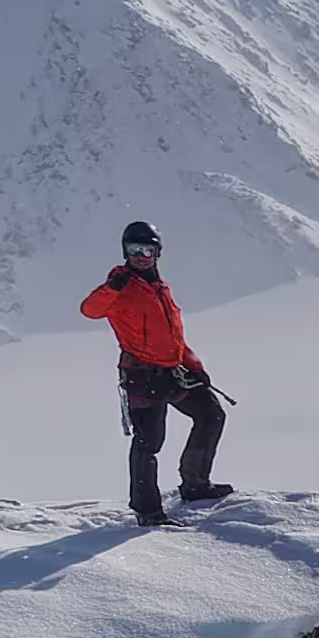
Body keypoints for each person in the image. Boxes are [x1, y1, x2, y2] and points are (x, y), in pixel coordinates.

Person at [79, 219, 232, 524]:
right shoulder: (119, 287)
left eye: (148, 248)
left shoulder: (159, 287)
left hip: (172, 371)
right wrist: (112, 287)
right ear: (125, 251)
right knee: (149, 442)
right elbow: (89, 310)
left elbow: (174, 336)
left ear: (158, 252)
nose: (141, 254)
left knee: (211, 414)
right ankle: (147, 510)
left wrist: (195, 366)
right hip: (142, 375)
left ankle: (195, 484)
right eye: (134, 248)